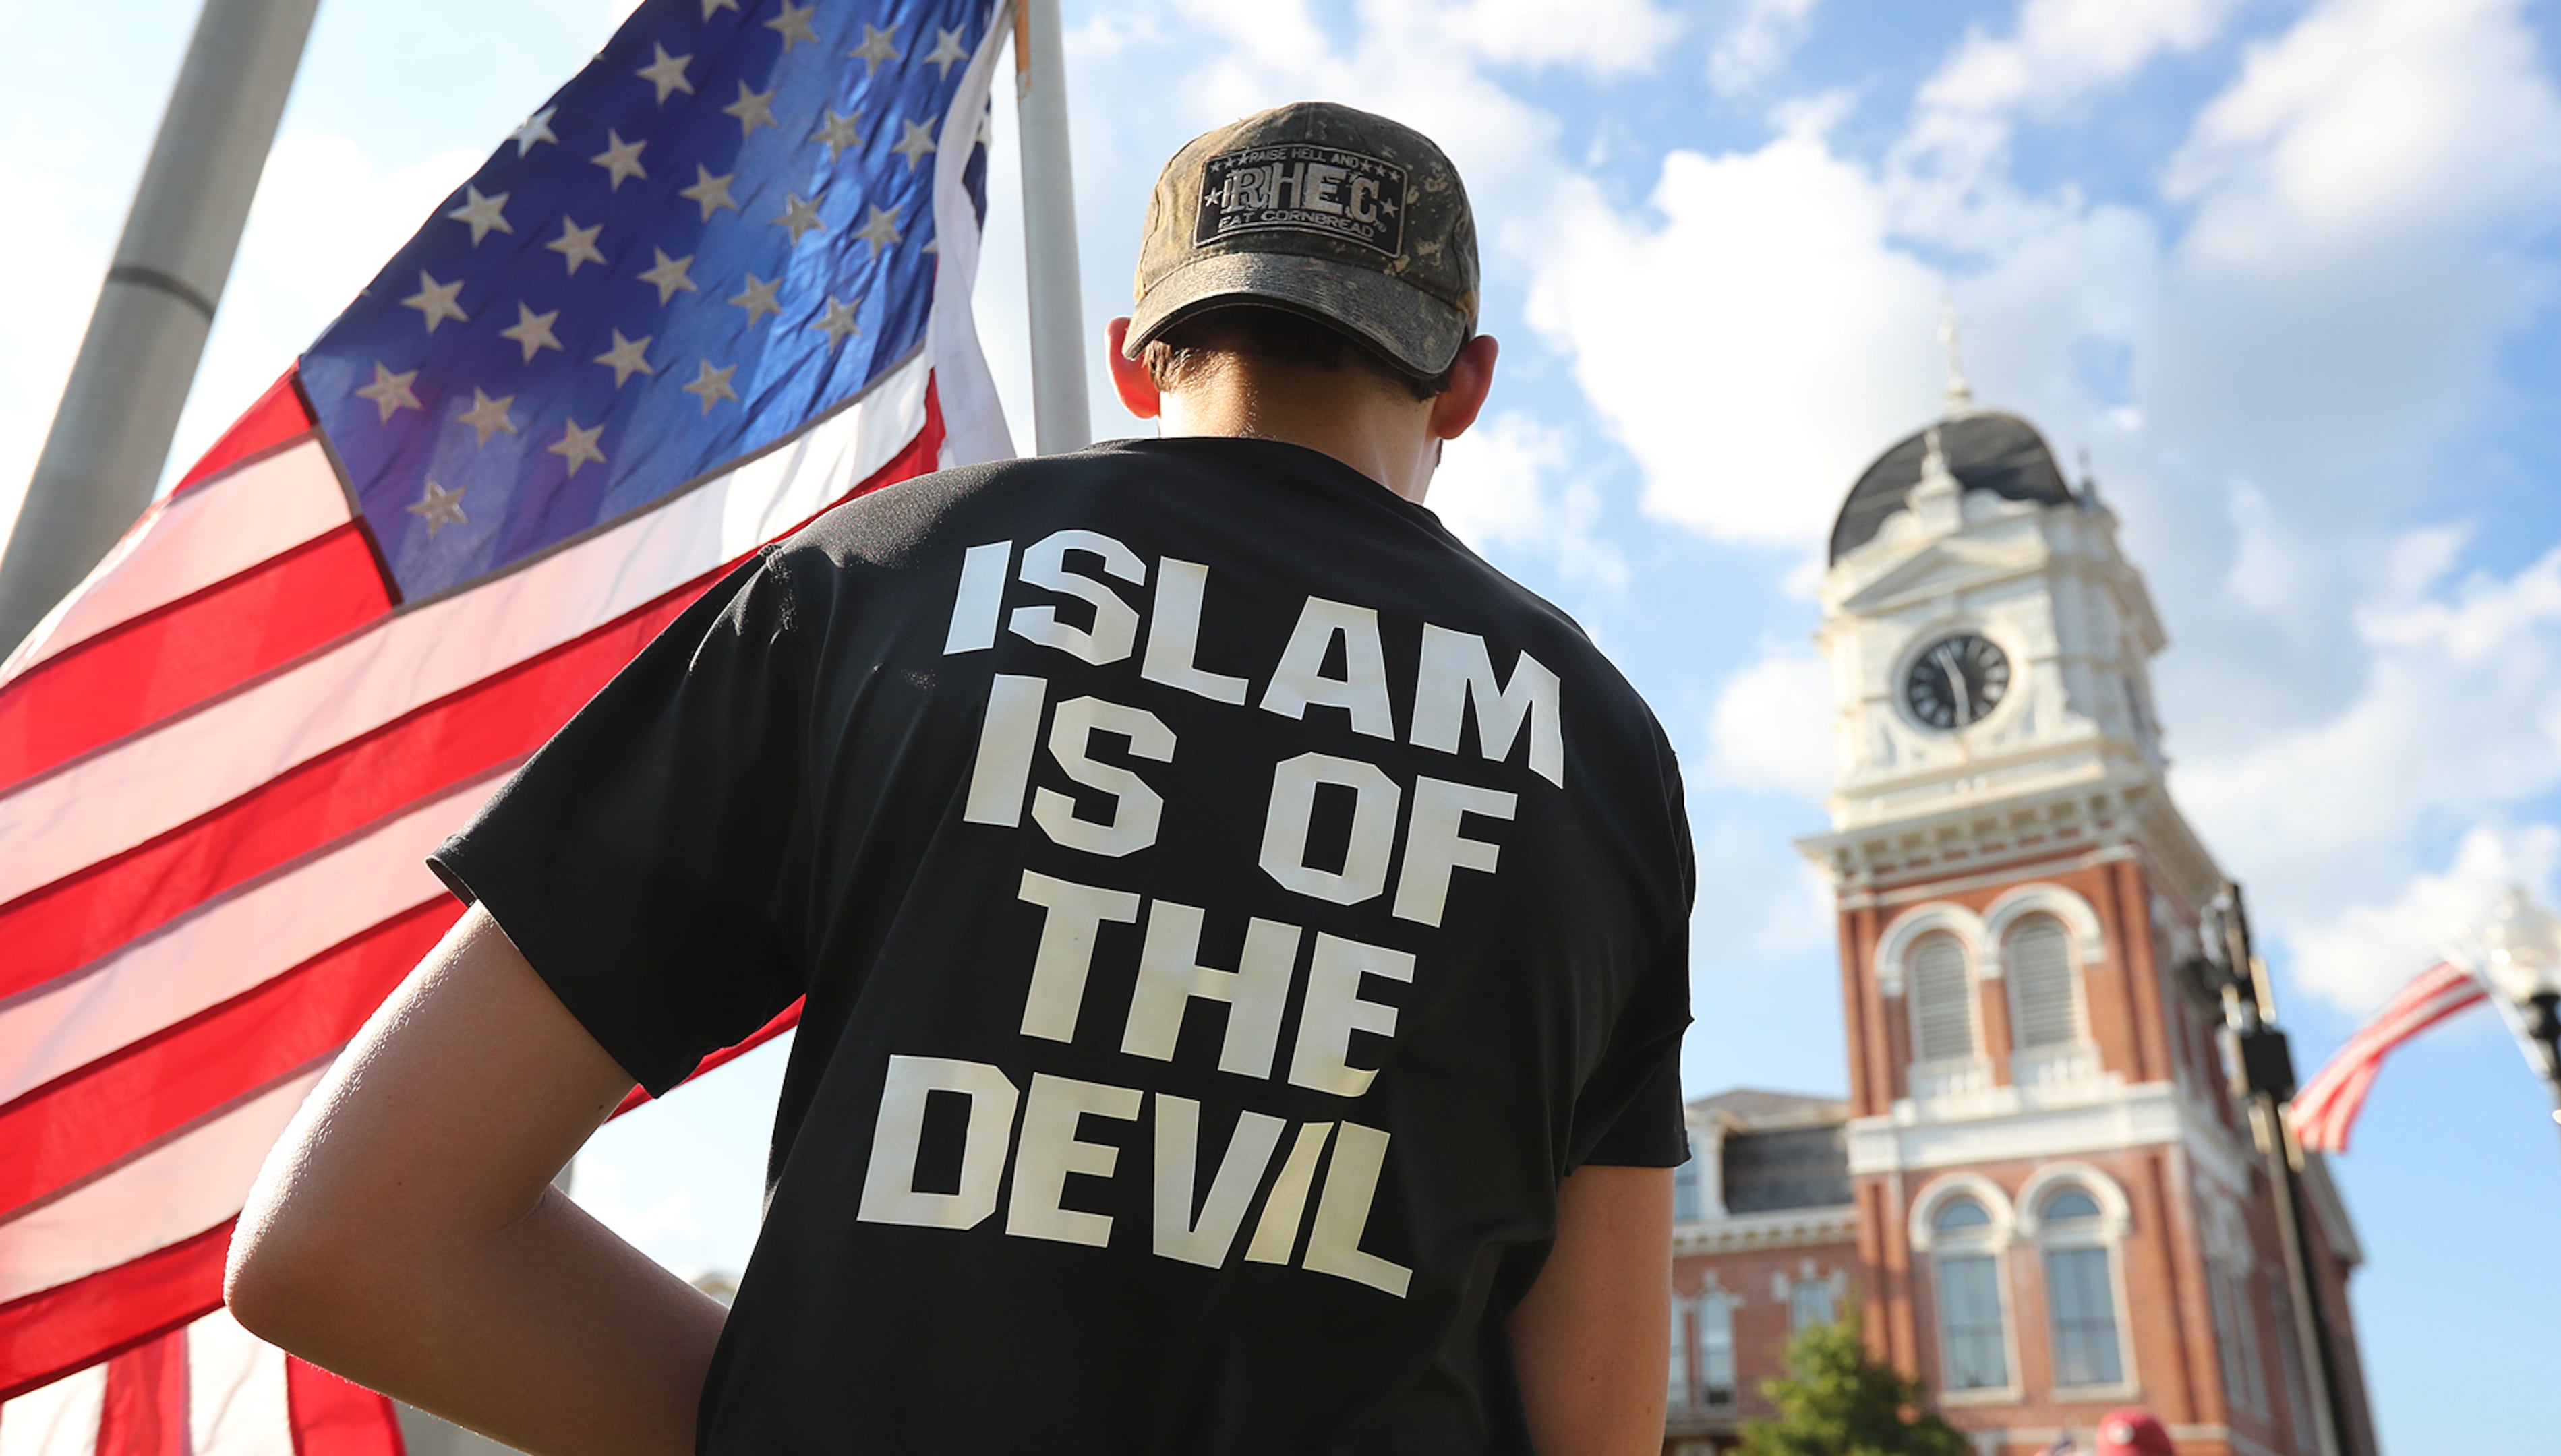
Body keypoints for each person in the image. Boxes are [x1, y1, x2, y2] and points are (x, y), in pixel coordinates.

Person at [228, 101, 1694, 1456]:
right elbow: (1596, 1430)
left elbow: (346, 1238)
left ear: (1138, 352)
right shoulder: (1604, 753)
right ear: (1467, 386)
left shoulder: (876, 582)